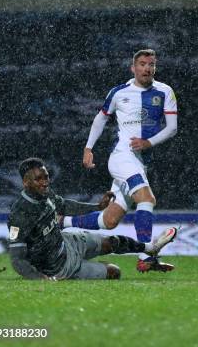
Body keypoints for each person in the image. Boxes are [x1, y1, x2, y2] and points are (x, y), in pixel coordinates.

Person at [70, 49, 178, 273]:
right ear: (133, 68)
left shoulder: (165, 91)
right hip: (122, 157)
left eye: (151, 64)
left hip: (140, 162)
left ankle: (61, 222)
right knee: (147, 199)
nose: (147, 68)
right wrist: (88, 148)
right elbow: (100, 119)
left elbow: (172, 128)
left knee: (109, 220)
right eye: (142, 64)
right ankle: (146, 257)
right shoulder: (119, 92)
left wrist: (149, 143)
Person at [8, 158, 178, 280]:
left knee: (113, 242)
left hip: (68, 242)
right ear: (25, 182)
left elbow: (65, 206)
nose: (45, 182)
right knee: (114, 273)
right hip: (58, 267)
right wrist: (39, 278)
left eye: (46, 177)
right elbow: (17, 260)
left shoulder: (45, 194)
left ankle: (150, 249)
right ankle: (87, 266)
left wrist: (97, 207)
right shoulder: (20, 214)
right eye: (39, 179)